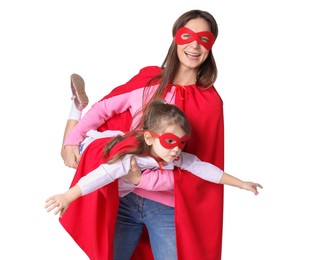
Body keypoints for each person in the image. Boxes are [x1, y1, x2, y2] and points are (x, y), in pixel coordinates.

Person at [57, 9, 259, 260]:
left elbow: (199, 173)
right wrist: (71, 141)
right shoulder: (149, 81)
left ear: (211, 46)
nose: (194, 45)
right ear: (176, 38)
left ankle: (75, 111)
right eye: (187, 36)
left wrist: (141, 179)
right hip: (125, 200)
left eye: (204, 39)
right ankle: (75, 110)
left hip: (167, 207)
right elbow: (104, 109)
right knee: (79, 153)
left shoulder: (209, 103)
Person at [46, 100, 262, 219]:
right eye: (169, 141)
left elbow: (201, 167)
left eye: (182, 142)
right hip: (95, 147)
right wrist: (67, 196)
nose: (177, 149)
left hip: (119, 163)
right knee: (71, 155)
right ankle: (76, 106)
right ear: (150, 138)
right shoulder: (130, 158)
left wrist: (241, 183)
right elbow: (101, 175)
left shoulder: (172, 155)